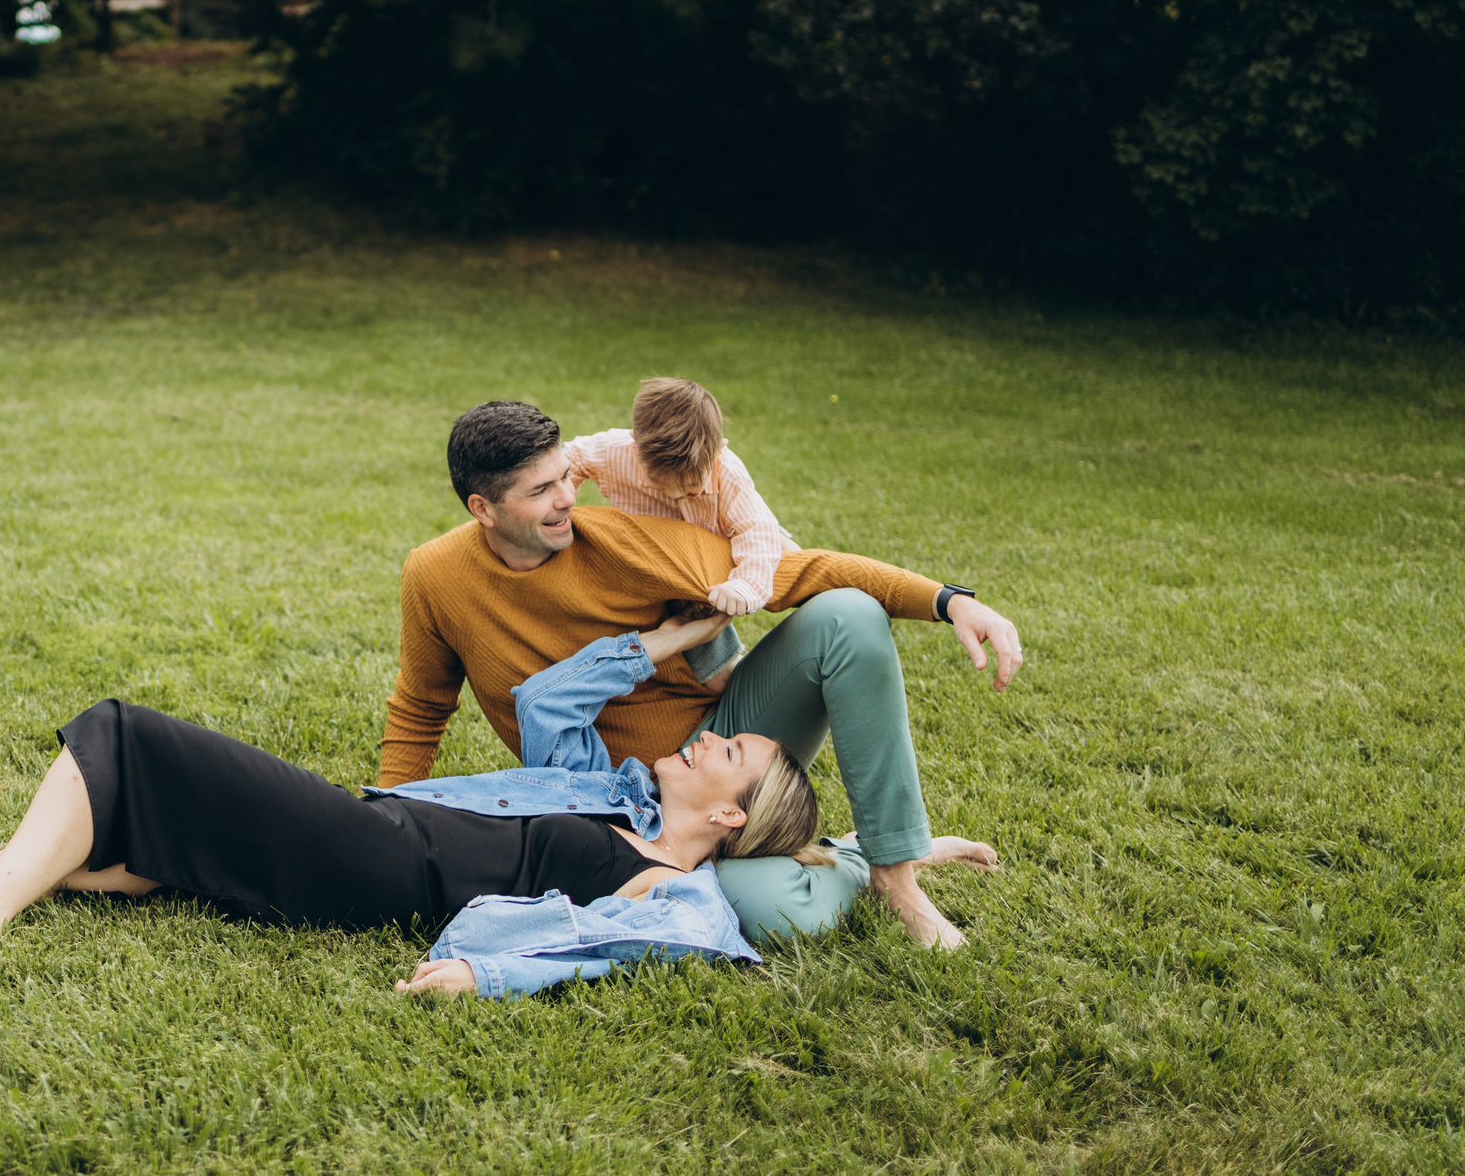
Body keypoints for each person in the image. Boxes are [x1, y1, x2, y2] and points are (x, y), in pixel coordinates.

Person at [0, 617, 829, 999]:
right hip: (365, 830)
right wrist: (679, 631)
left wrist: (485, 973)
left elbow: (607, 949)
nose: (704, 734)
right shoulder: (603, 788)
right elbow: (549, 693)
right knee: (97, 845)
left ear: (729, 819)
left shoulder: (671, 889)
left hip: (382, 864)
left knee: (126, 735)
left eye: (724, 750)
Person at [381, 401, 1024, 948]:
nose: (568, 500)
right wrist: (394, 822)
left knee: (847, 617)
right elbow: (421, 704)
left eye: (566, 477)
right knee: (778, 911)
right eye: (541, 491)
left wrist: (949, 600)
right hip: (611, 809)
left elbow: (799, 572)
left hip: (723, 744)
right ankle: (849, 855)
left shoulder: (620, 541)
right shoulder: (435, 576)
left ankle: (895, 872)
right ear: (483, 508)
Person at [564, 376, 798, 618]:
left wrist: (745, 585)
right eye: (659, 482)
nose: (676, 494)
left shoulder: (727, 472)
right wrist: (561, 502)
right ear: (635, 444)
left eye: (692, 485)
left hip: (713, 547)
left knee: (786, 554)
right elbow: (573, 456)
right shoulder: (615, 451)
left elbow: (754, 530)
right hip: (654, 553)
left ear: (719, 451)